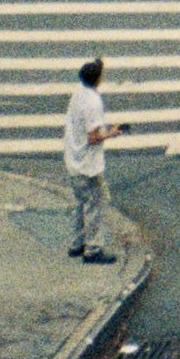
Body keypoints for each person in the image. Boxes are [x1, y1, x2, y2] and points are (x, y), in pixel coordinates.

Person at [64, 57, 121, 263]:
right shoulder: (92, 102)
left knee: (80, 203)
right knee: (96, 203)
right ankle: (93, 249)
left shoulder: (77, 94)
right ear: (97, 79)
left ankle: (76, 244)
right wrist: (112, 133)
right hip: (88, 165)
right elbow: (94, 137)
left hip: (73, 160)